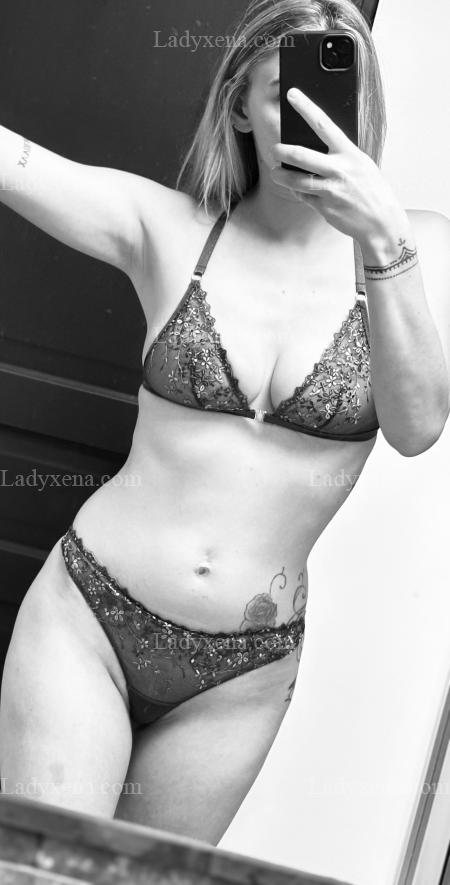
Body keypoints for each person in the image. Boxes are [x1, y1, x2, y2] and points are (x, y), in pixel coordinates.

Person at [0, 0, 449, 846]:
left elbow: (418, 424)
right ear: (240, 104)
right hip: (89, 619)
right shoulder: (167, 230)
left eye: (332, 98)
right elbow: (16, 164)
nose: (310, 122)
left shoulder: (419, 248)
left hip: (239, 678)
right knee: (45, 869)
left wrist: (383, 238)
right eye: (284, 95)